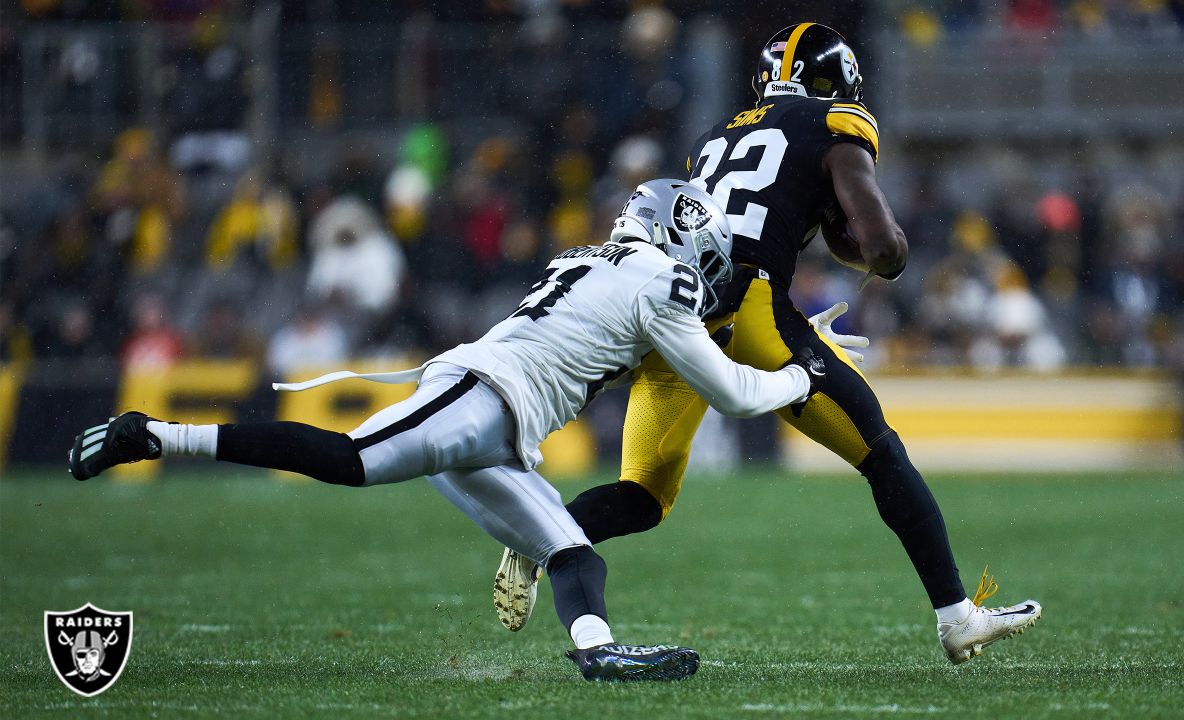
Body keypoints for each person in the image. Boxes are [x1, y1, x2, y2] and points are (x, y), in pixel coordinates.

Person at [67, 180, 840, 682]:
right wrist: (806, 374)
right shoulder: (660, 280)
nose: (701, 270)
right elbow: (734, 393)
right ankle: (155, 434)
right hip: (479, 395)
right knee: (348, 459)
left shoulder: (598, 259)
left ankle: (599, 651)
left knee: (569, 547)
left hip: (499, 427)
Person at [493, 23, 1042, 665]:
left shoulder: (716, 137)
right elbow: (878, 242)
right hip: (751, 309)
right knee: (882, 453)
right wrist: (886, 258)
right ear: (836, 79)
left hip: (674, 307)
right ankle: (956, 617)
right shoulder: (838, 122)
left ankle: (542, 537)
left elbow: (780, 213)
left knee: (642, 496)